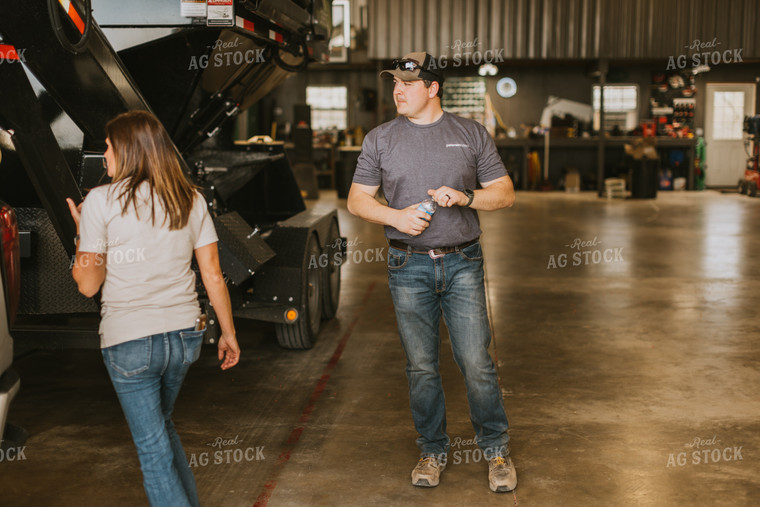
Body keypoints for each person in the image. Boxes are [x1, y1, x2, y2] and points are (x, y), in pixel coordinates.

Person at [347, 52, 517, 493]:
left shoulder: (470, 133)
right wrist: (395, 218)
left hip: (463, 263)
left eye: (407, 83)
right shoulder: (380, 139)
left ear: (432, 88)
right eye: (395, 83)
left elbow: (504, 193)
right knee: (421, 366)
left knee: (476, 362)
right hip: (407, 264)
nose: (397, 90)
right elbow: (357, 200)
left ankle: (496, 450)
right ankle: (432, 450)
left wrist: (465, 197)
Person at [67, 110, 241, 506]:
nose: (105, 156)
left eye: (108, 147)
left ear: (127, 151)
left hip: (130, 341)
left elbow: (87, 284)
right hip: (184, 338)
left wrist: (83, 234)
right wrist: (228, 334)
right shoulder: (190, 198)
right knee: (161, 428)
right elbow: (213, 275)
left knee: (151, 451)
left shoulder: (100, 202)